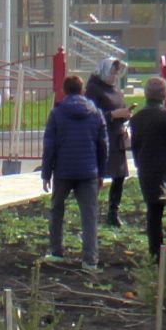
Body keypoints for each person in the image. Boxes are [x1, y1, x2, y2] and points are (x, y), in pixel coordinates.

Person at [40, 74, 108, 271]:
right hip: (88, 171)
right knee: (89, 215)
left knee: (57, 210)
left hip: (63, 171)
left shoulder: (57, 113)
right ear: (82, 90)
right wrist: (101, 172)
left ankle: (56, 251)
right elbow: (103, 144)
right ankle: (90, 259)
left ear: (64, 91)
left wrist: (46, 174)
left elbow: (49, 146)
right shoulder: (96, 113)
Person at [128, 75, 166, 259]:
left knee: (153, 214)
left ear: (146, 94)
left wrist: (140, 164)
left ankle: (155, 253)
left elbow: (135, 146)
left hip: (147, 171)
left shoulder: (137, 119)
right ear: (165, 95)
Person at [84, 57, 132, 227]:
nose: (114, 76)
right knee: (98, 178)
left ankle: (113, 213)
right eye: (112, 72)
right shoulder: (93, 89)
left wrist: (125, 118)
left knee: (119, 176)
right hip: (102, 139)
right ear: (104, 70)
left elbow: (120, 108)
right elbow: (90, 115)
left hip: (117, 137)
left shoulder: (116, 90)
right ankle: (90, 213)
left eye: (116, 73)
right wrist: (112, 115)